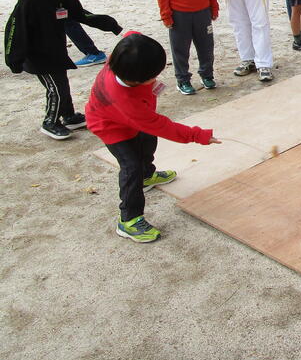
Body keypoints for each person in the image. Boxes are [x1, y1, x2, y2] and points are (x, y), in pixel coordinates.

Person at [85, 32, 221, 243]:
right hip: (109, 126)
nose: (157, 78)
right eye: (153, 76)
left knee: (148, 141)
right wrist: (198, 135)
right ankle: (129, 220)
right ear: (136, 79)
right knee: (131, 166)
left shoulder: (125, 55)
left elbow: (132, 37)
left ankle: (147, 175)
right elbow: (163, 127)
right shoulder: (126, 101)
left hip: (131, 118)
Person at [4, 0, 122, 140]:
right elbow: (15, 31)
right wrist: (14, 59)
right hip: (38, 56)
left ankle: (68, 116)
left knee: (62, 85)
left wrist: (108, 23)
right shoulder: (28, 0)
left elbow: (80, 14)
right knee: (56, 89)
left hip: (57, 51)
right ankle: (50, 122)